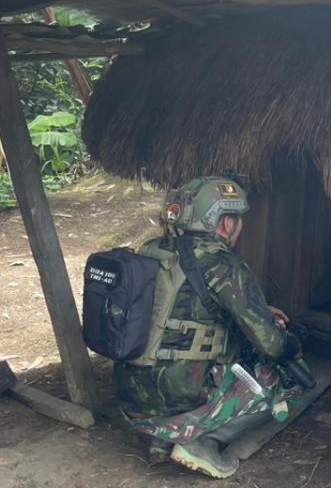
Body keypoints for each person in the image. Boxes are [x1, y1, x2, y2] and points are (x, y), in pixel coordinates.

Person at [112, 176, 307, 479]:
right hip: (180, 392)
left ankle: (162, 441)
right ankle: (203, 443)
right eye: (238, 220)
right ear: (226, 224)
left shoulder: (150, 251)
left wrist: (258, 311)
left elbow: (175, 306)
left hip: (130, 400)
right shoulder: (224, 266)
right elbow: (272, 344)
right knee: (283, 382)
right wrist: (293, 346)